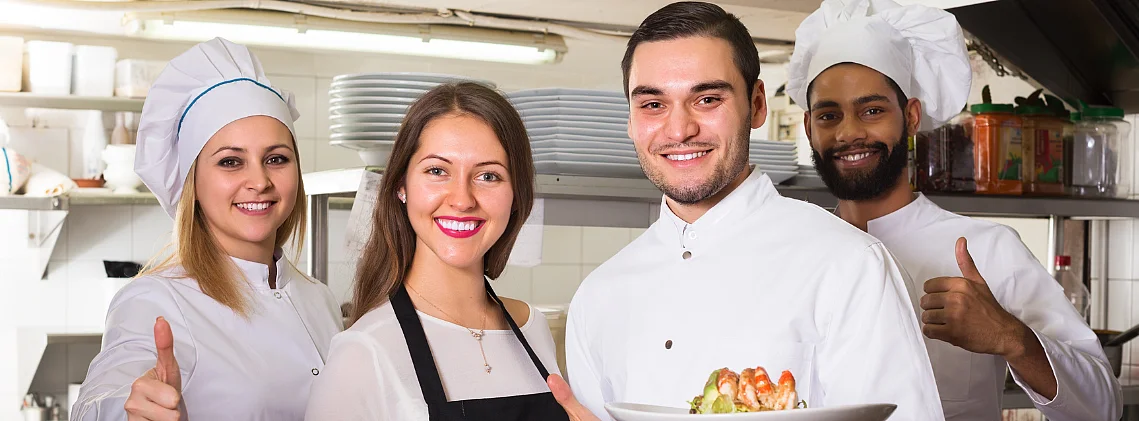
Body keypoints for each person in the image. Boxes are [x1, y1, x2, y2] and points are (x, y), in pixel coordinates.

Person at [552, 2, 944, 420]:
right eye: (653, 105)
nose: (680, 130)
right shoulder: (598, 297)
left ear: (757, 105)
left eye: (706, 98)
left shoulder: (849, 265)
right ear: (630, 119)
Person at [787, 1, 1123, 420]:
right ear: (808, 127)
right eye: (828, 115)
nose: (849, 132)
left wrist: (1010, 337)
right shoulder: (792, 252)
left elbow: (1103, 407)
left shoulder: (989, 250)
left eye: (872, 110)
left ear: (910, 116)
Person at [71, 38, 343, 421]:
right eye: (231, 162)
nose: (259, 180)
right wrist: (128, 410)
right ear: (193, 183)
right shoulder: (155, 300)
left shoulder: (319, 299)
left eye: (276, 159)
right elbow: (100, 401)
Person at [304, 82, 569, 420]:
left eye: (488, 175)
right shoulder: (364, 352)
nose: (462, 199)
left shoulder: (533, 329)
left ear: (515, 194)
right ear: (401, 185)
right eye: (437, 171)